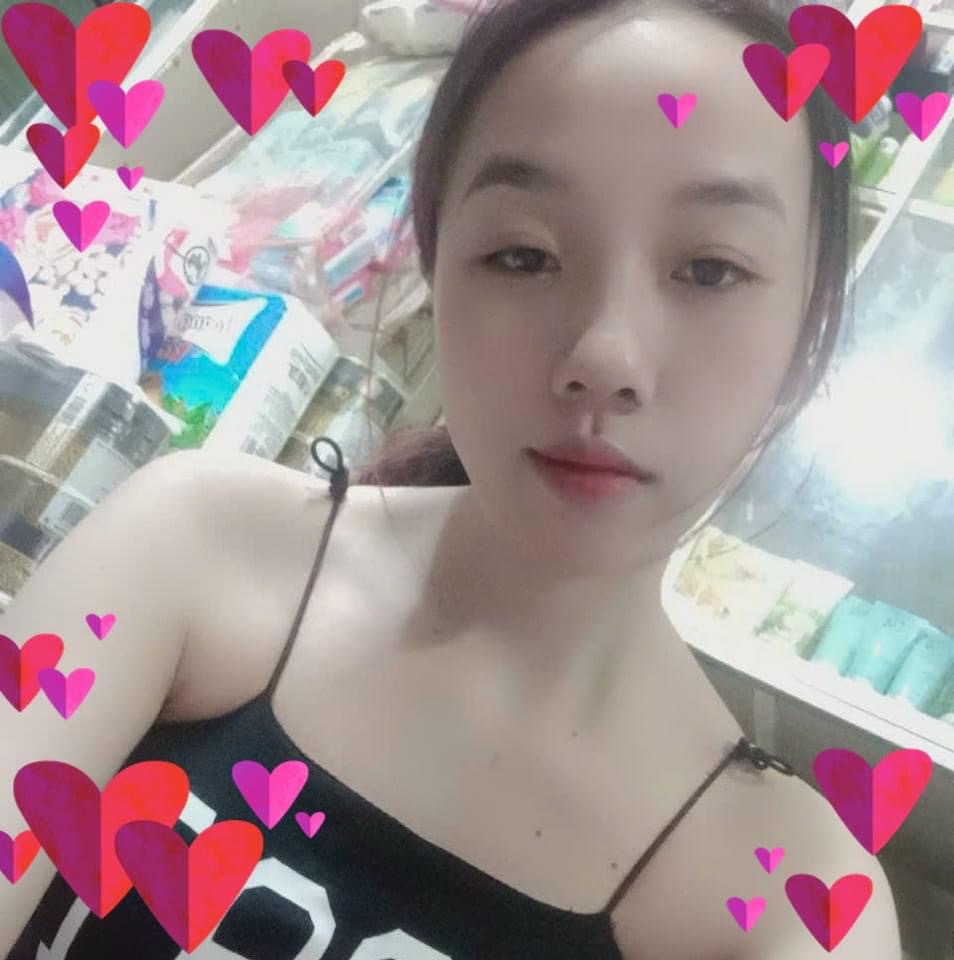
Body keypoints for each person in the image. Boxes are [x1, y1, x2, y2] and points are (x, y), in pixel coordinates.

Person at [1, 0, 903, 957]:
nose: (606, 355)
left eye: (711, 270)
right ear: (438, 265)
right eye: (525, 255)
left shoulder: (791, 897)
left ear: (807, 331)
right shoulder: (191, 548)